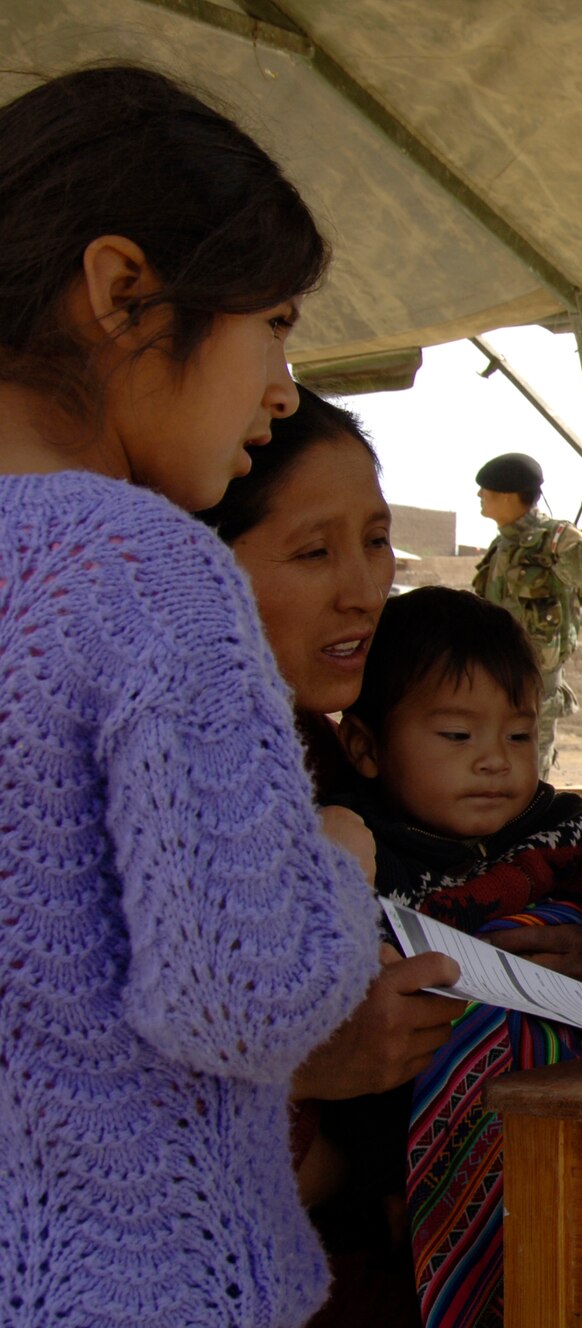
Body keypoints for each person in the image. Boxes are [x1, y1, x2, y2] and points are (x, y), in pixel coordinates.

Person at [0, 65, 381, 1325]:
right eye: (272, 322)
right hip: (146, 1285)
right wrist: (336, 852)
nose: (284, 385)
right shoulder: (146, 565)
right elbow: (243, 987)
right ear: (123, 293)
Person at [335, 585, 582, 1328]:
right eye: (457, 737)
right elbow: (337, 1029)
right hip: (409, 1169)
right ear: (364, 746)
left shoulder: (577, 834)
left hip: (564, 1142)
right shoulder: (355, 856)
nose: (495, 762)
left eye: (519, 736)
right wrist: (371, 1176)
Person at [197, 387, 468, 1328]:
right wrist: (307, 1063)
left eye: (378, 540)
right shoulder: (142, 781)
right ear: (197, 570)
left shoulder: (334, 754)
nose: (364, 587)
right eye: (314, 553)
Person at [470, 451, 582, 777]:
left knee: (529, 771)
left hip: (535, 681)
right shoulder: (502, 545)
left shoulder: (553, 538)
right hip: (494, 677)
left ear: (508, 495)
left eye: (486, 490)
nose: (479, 495)